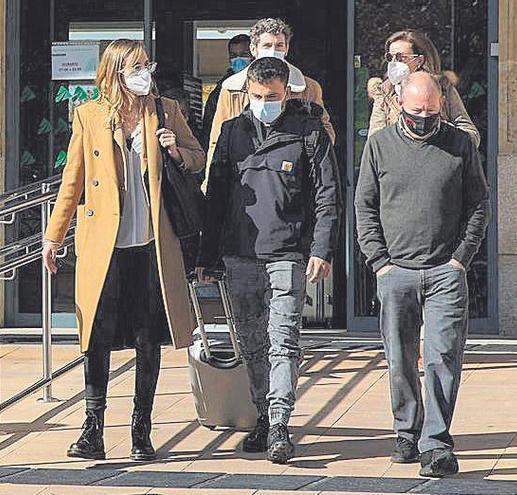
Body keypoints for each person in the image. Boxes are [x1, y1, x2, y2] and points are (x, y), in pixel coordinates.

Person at [41, 39, 205, 462]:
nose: (144, 73)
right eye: (136, 66)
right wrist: (53, 236)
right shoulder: (89, 115)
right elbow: (71, 181)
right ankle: (92, 428)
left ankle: (141, 429)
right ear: (115, 70)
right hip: (104, 245)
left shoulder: (166, 109)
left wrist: (174, 149)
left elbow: (197, 158)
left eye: (147, 65)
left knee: (147, 338)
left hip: (152, 243)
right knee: (95, 335)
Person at [196, 57, 341, 464]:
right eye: (258, 97)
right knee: (252, 344)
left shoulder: (309, 131)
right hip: (240, 255)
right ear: (247, 93)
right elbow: (217, 196)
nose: (265, 103)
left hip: (289, 254)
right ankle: (263, 415)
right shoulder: (230, 132)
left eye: (273, 96)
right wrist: (206, 256)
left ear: (287, 92)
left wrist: (321, 250)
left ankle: (279, 423)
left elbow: (328, 195)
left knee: (283, 342)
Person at [355, 72, 490, 478]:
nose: (424, 117)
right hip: (396, 272)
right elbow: (364, 206)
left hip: (446, 272)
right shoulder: (379, 145)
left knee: (442, 358)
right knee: (399, 359)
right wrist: (380, 262)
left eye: (432, 111)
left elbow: (478, 204)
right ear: (400, 104)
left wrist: (461, 259)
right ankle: (406, 431)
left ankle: (436, 443)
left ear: (442, 107)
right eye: (416, 111)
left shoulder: (459, 144)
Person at [204, 18, 335, 190]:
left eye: (279, 46)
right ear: (253, 49)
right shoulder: (231, 89)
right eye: (267, 46)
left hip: (294, 178)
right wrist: (210, 184)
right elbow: (216, 139)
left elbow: (326, 134)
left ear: (287, 48)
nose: (273, 51)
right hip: (246, 175)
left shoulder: (308, 88)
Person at [367, 30, 480, 148]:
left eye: (400, 57)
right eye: (390, 57)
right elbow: (375, 140)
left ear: (419, 60)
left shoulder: (442, 88)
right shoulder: (385, 92)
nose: (394, 62)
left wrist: (444, 136)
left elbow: (471, 135)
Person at [200, 34, 252, 151]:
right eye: (234, 56)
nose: (238, 59)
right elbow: (209, 129)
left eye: (244, 54)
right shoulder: (221, 90)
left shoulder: (265, 84)